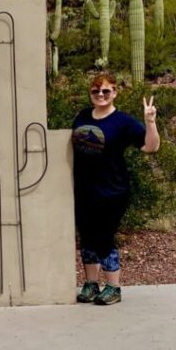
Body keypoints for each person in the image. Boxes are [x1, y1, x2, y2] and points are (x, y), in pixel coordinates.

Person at [71, 73, 159, 305]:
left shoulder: (123, 122)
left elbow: (150, 147)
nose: (100, 95)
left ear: (115, 93)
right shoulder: (81, 116)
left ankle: (113, 287)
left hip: (112, 189)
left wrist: (150, 122)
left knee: (103, 236)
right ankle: (91, 284)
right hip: (84, 189)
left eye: (106, 91)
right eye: (96, 91)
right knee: (87, 236)